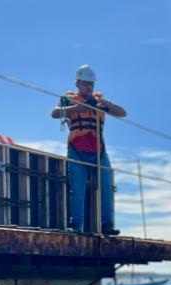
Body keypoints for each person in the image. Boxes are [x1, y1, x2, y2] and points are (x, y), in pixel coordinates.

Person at [51, 64, 126, 235]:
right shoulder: (69, 99)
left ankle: (107, 225)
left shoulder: (99, 102)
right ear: (77, 83)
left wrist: (109, 105)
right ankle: (76, 225)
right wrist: (76, 109)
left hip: (99, 152)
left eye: (91, 84)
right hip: (76, 150)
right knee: (77, 189)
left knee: (106, 187)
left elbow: (123, 113)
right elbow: (54, 113)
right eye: (85, 83)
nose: (89, 86)